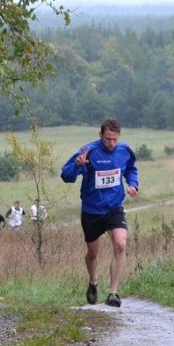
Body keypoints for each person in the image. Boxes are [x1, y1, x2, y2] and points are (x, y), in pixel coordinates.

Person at [61, 118, 139, 308]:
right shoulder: (89, 151)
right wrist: (78, 165)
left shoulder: (125, 151)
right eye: (107, 139)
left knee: (121, 244)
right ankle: (93, 280)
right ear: (100, 135)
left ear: (119, 136)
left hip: (114, 207)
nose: (111, 143)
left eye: (114, 139)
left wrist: (132, 184)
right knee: (93, 253)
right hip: (91, 210)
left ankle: (113, 293)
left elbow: (130, 169)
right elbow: (66, 176)